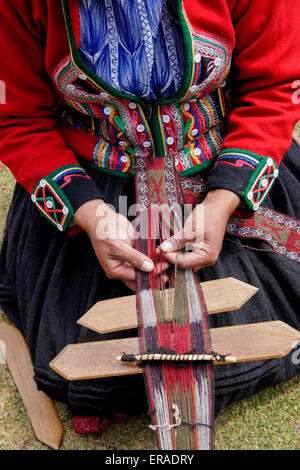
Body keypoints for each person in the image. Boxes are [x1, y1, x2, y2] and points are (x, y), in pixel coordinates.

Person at [0, 0, 299, 435]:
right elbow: (19, 120)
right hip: (94, 179)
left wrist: (222, 202)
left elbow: (274, 87)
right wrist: (92, 215)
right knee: (98, 378)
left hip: (219, 163)